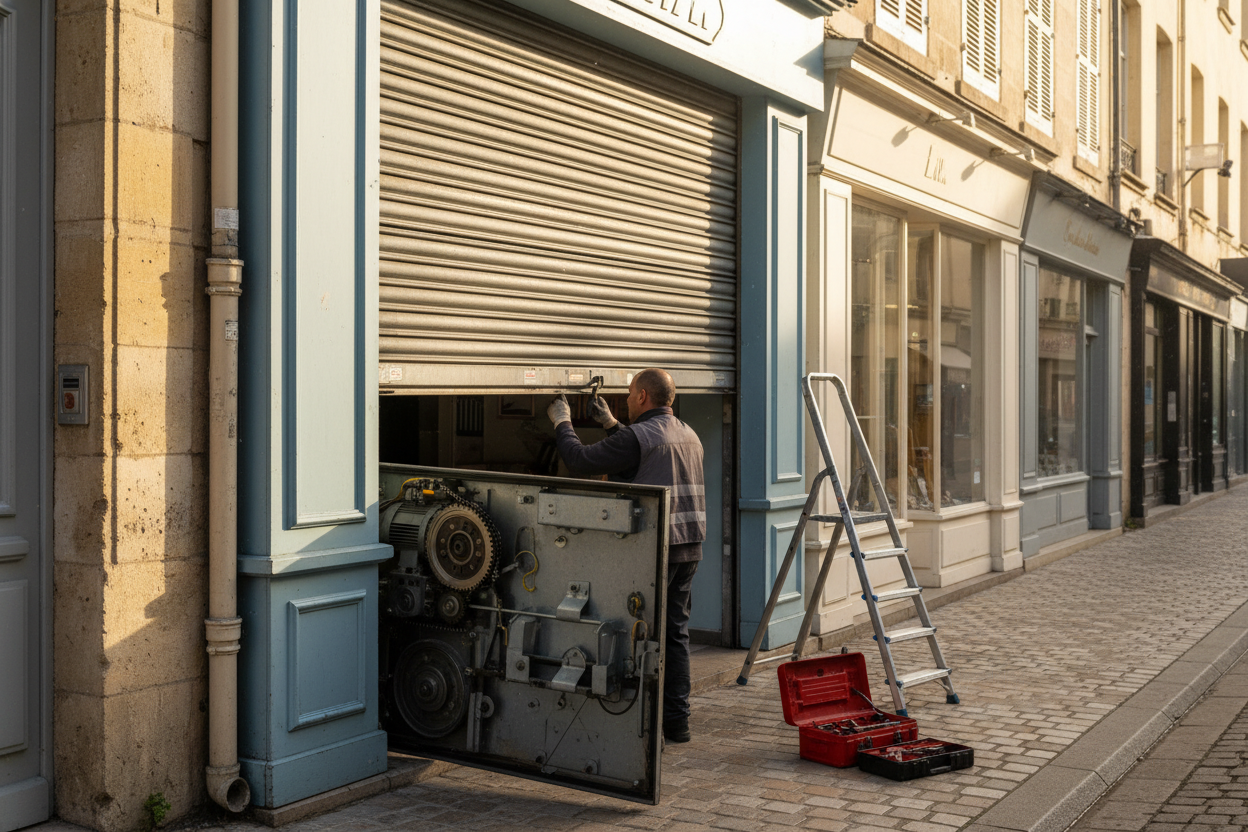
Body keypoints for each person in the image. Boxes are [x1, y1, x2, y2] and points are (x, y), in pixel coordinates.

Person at [546, 368, 705, 744]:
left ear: (643, 397)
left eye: (631, 392)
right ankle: (676, 724)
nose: (628, 397)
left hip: (655, 549)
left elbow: (580, 461)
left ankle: (632, 730)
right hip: (689, 545)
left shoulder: (639, 437)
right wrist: (612, 424)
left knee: (632, 634)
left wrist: (562, 421)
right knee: (675, 634)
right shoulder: (688, 432)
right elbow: (643, 458)